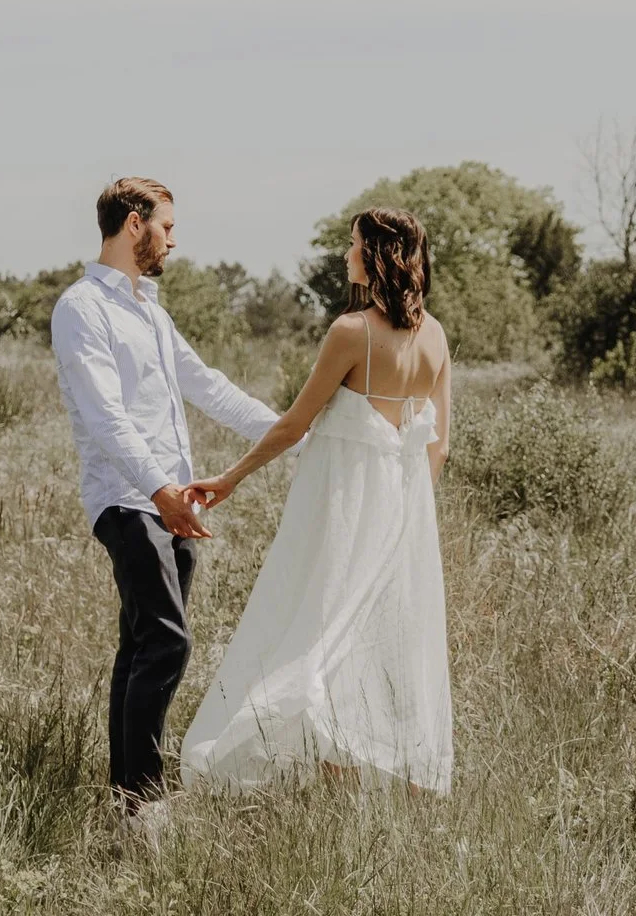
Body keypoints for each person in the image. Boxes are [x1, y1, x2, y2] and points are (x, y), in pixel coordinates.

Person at [179, 207, 453, 793]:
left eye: (353, 244)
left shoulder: (352, 332)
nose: (346, 254)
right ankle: (348, 775)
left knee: (311, 630)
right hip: (402, 515)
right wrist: (408, 518)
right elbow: (440, 446)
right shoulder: (435, 335)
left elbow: (293, 425)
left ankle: (320, 758)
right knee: (364, 642)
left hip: (343, 509)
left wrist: (230, 478)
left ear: (376, 254)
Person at [49, 177, 279, 826]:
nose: (173, 240)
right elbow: (105, 416)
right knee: (167, 642)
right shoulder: (81, 308)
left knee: (141, 645)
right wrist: (159, 491)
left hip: (172, 502)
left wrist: (290, 431)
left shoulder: (151, 311)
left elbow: (207, 386)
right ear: (134, 224)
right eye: (166, 227)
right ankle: (145, 799)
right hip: (129, 499)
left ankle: (127, 802)